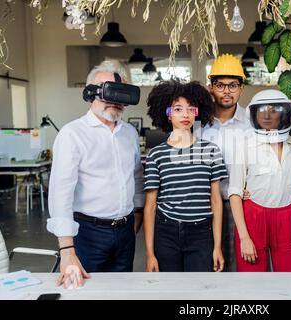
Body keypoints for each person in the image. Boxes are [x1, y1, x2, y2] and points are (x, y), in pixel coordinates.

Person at [47, 60, 145, 288]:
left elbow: (137, 176)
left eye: (122, 94)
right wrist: (67, 250)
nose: (116, 101)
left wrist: (136, 215)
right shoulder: (72, 134)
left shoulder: (129, 133)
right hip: (88, 234)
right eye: (110, 92)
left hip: (125, 231)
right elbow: (60, 193)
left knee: (121, 291)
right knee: (86, 292)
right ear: (91, 94)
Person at [144, 81, 228, 272]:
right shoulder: (156, 155)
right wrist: (150, 254)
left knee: (200, 290)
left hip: (201, 233)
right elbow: (150, 206)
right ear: (167, 113)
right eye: (178, 109)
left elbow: (215, 200)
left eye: (191, 109)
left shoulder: (210, 150)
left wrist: (217, 247)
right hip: (166, 232)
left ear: (198, 112)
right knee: (170, 290)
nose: (185, 114)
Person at [228, 89, 291, 272]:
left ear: (285, 114)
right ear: (253, 114)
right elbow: (235, 192)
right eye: (262, 110)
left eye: (274, 110)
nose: (268, 115)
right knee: (252, 282)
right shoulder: (244, 146)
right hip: (253, 218)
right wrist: (245, 238)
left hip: (287, 217)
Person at [194, 53, 252, 272]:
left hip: (241, 206)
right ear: (211, 87)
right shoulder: (197, 124)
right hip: (204, 206)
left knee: (240, 268)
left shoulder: (252, 122)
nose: (227, 91)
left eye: (233, 85)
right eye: (220, 85)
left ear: (241, 88)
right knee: (207, 266)